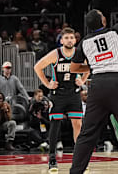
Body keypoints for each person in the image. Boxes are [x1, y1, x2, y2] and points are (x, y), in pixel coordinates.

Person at [68, 0, 118, 174]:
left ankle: (76, 171)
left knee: (87, 133)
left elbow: (74, 68)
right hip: (116, 82)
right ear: (104, 22)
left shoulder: (84, 43)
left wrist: (90, 65)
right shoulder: (115, 33)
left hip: (97, 84)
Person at [34, 27, 89, 172]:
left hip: (74, 93)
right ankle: (52, 159)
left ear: (75, 39)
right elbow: (37, 67)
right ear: (61, 40)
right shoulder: (56, 54)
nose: (69, 40)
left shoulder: (79, 54)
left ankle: (79, 160)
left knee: (78, 125)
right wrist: (47, 84)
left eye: (72, 37)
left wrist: (83, 80)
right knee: (55, 125)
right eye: (67, 38)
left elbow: (89, 67)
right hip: (58, 94)